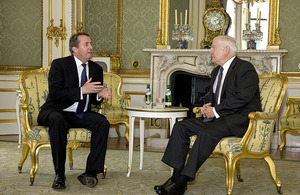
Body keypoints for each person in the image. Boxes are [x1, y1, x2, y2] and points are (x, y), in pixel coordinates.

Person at [154, 35, 262, 195]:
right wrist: (209, 105)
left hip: (239, 119)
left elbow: (242, 98)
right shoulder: (216, 71)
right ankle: (176, 178)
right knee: (180, 127)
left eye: (213, 47)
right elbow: (219, 97)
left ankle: (184, 180)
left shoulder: (245, 68)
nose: (210, 51)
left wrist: (216, 110)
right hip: (220, 117)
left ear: (226, 50)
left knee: (206, 133)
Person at [38, 32, 112, 189]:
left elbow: (91, 99)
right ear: (74, 48)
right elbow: (55, 94)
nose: (91, 47)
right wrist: (81, 91)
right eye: (86, 44)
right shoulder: (59, 65)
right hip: (56, 110)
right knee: (57, 120)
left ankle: (90, 172)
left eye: (91, 43)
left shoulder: (96, 69)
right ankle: (59, 175)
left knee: (102, 123)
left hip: (79, 113)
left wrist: (99, 96)